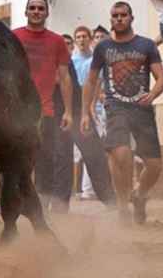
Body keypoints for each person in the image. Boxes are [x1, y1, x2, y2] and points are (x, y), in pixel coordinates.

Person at [81, 1, 163, 225]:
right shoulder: (103, 48)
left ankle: (139, 195)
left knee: (155, 165)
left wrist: (153, 94)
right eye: (115, 15)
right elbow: (90, 82)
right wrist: (84, 113)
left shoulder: (146, 45)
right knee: (121, 154)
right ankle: (122, 207)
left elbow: (162, 80)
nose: (119, 19)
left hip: (142, 109)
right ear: (111, 19)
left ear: (131, 17)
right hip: (115, 107)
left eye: (123, 15)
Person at [13, 0, 73, 210]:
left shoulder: (57, 41)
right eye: (32, 8)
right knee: (17, 159)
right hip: (17, 111)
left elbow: (65, 77)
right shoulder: (14, 36)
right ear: (26, 12)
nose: (36, 11)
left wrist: (68, 111)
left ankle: (42, 205)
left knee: (45, 159)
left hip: (46, 111)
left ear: (47, 13)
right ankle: (15, 202)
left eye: (40, 8)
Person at [51, 26, 116, 212]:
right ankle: (60, 206)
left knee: (95, 156)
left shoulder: (71, 64)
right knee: (62, 159)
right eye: (62, 44)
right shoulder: (54, 65)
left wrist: (86, 113)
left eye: (67, 44)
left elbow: (87, 86)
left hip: (80, 115)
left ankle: (109, 200)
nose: (65, 46)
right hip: (59, 118)